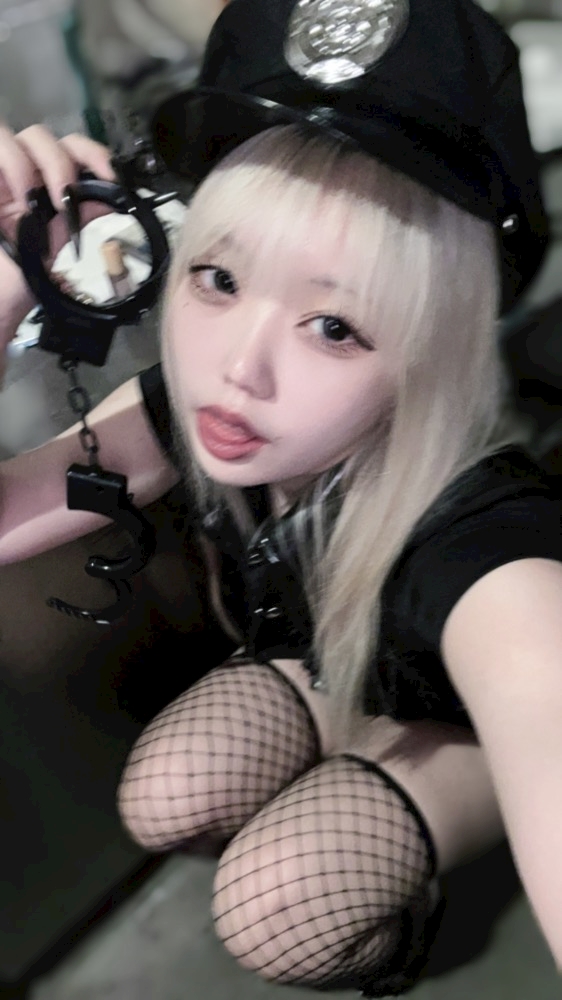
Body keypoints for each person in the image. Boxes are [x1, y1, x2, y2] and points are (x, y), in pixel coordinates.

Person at [1, 0, 562, 994]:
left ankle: (441, 838)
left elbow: (537, 685)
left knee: (277, 913)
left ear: (429, 347)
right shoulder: (199, 409)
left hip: (463, 720)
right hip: (326, 669)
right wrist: (8, 287)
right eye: (219, 278)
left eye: (335, 327)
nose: (237, 371)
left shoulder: (489, 549)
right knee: (167, 797)